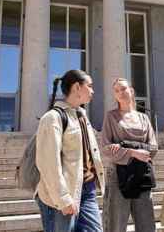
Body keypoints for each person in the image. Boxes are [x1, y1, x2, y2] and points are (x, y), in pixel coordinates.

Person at [35, 70, 105, 232]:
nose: (93, 91)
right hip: (60, 194)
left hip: (87, 189)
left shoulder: (82, 116)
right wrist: (63, 198)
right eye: (90, 86)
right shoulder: (53, 118)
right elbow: (48, 163)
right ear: (77, 87)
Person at [101, 78, 158, 232]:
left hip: (142, 175)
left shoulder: (144, 118)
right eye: (116, 91)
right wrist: (134, 152)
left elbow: (153, 148)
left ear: (131, 91)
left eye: (123, 89)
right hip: (118, 176)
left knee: (147, 226)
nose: (120, 93)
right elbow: (106, 148)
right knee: (116, 226)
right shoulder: (111, 117)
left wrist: (122, 146)